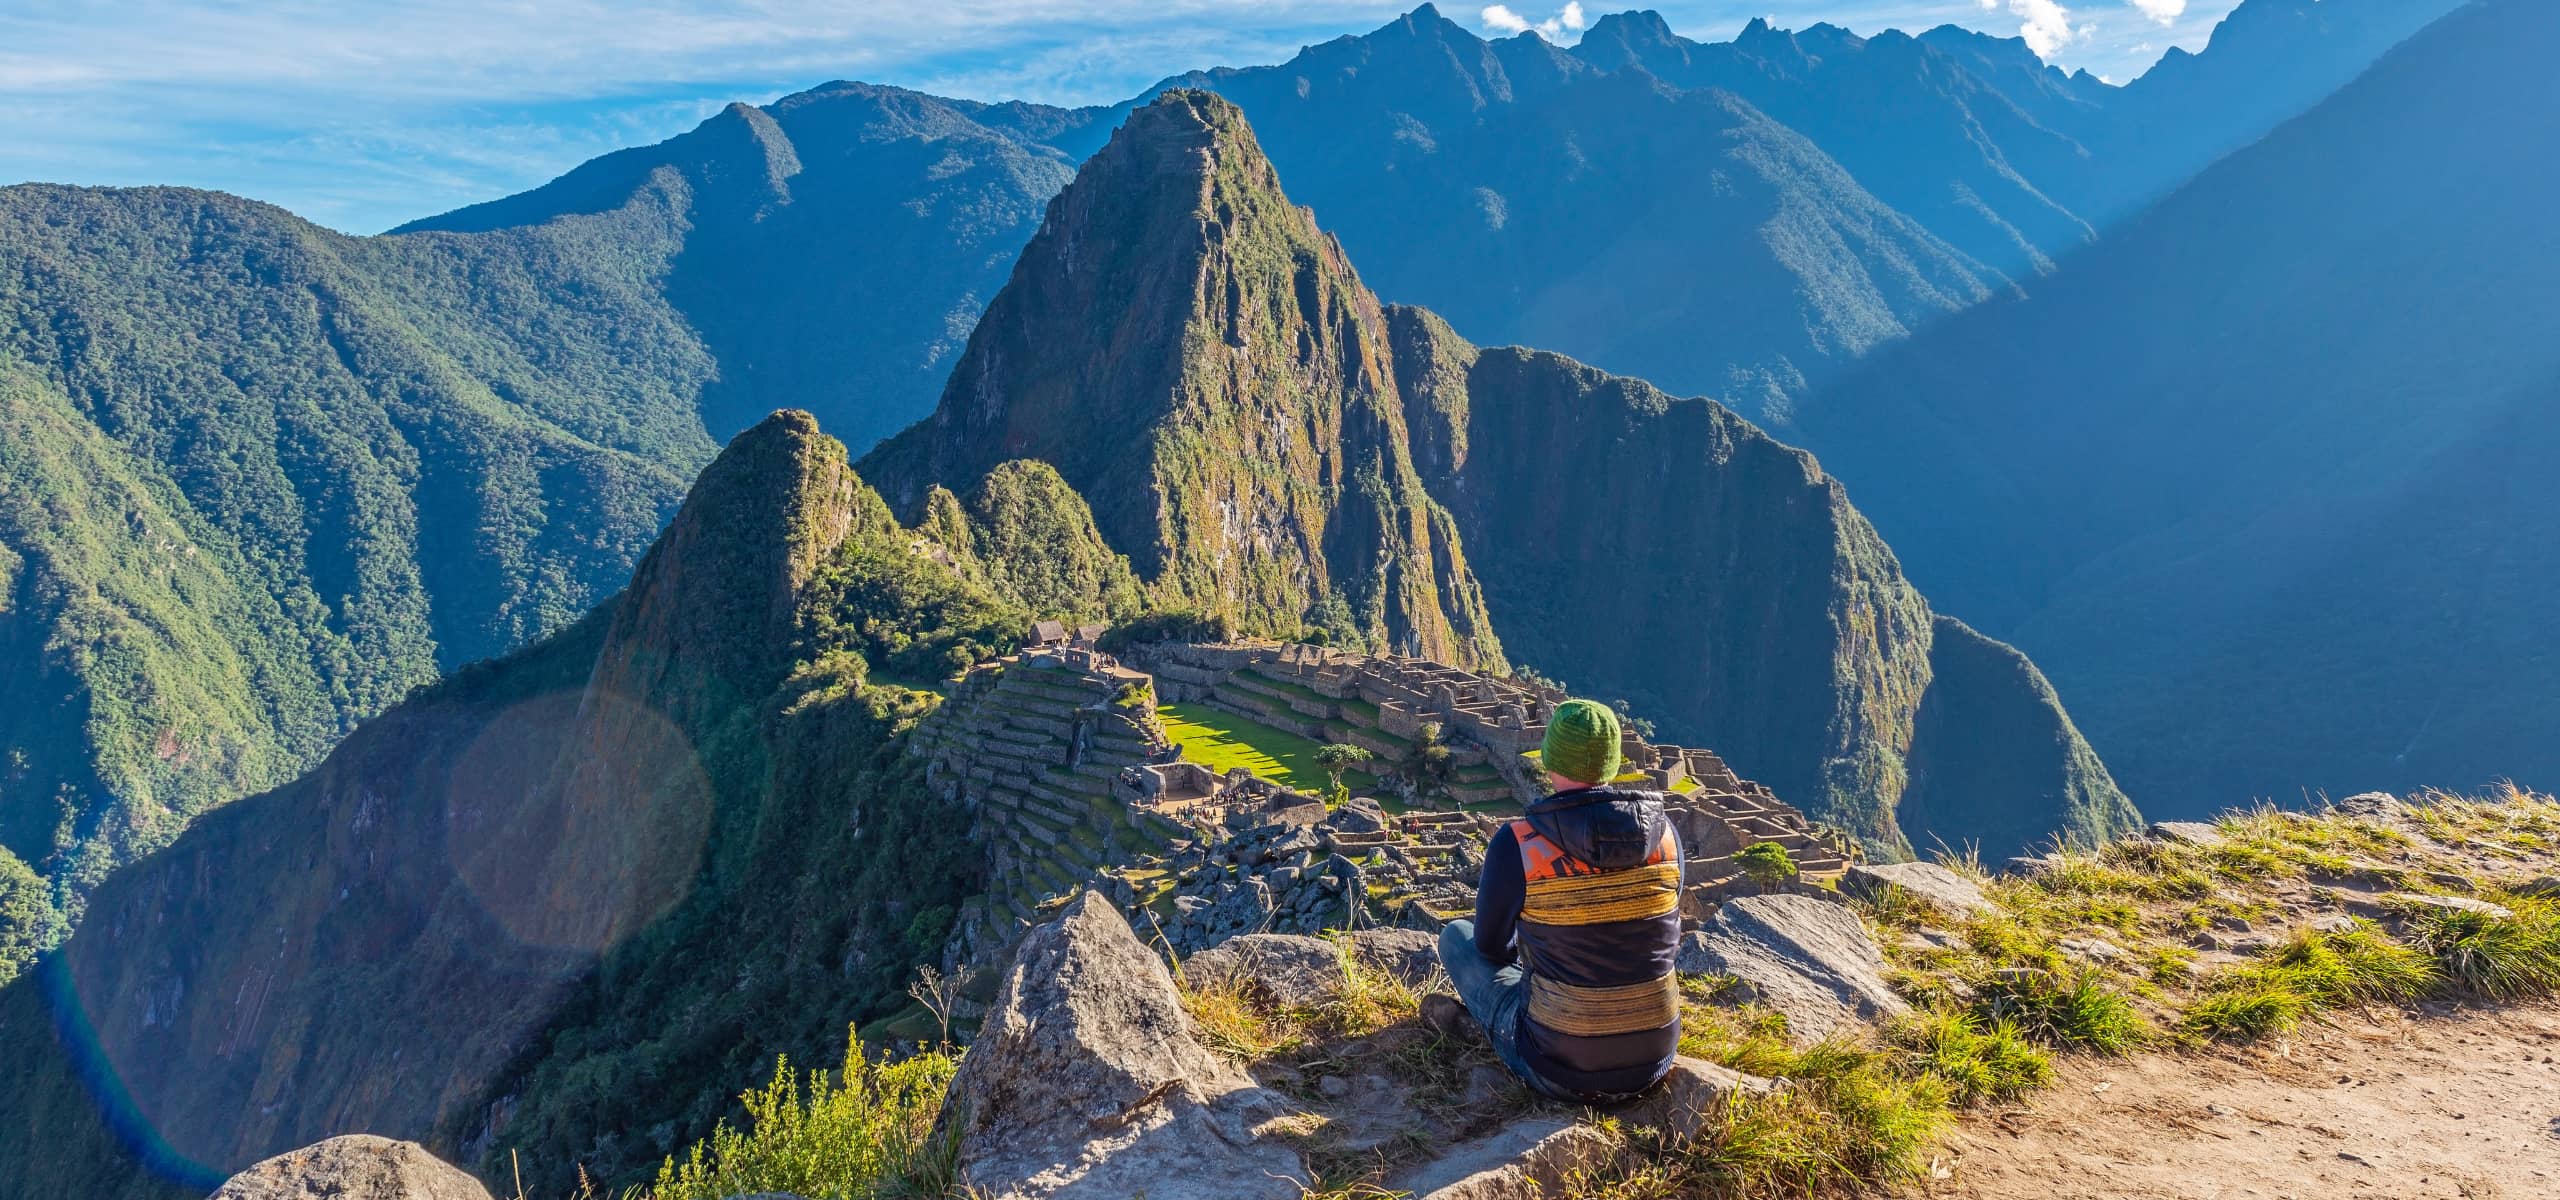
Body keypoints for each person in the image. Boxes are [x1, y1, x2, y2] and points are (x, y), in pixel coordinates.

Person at [1428, 699, 1683, 1103]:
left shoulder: (1521, 843)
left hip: (1560, 1066)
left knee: (1456, 938)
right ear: (1614, 764)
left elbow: (1491, 947)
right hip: (1654, 1055)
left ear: (1549, 761)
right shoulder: (1665, 836)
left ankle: (1486, 1031)